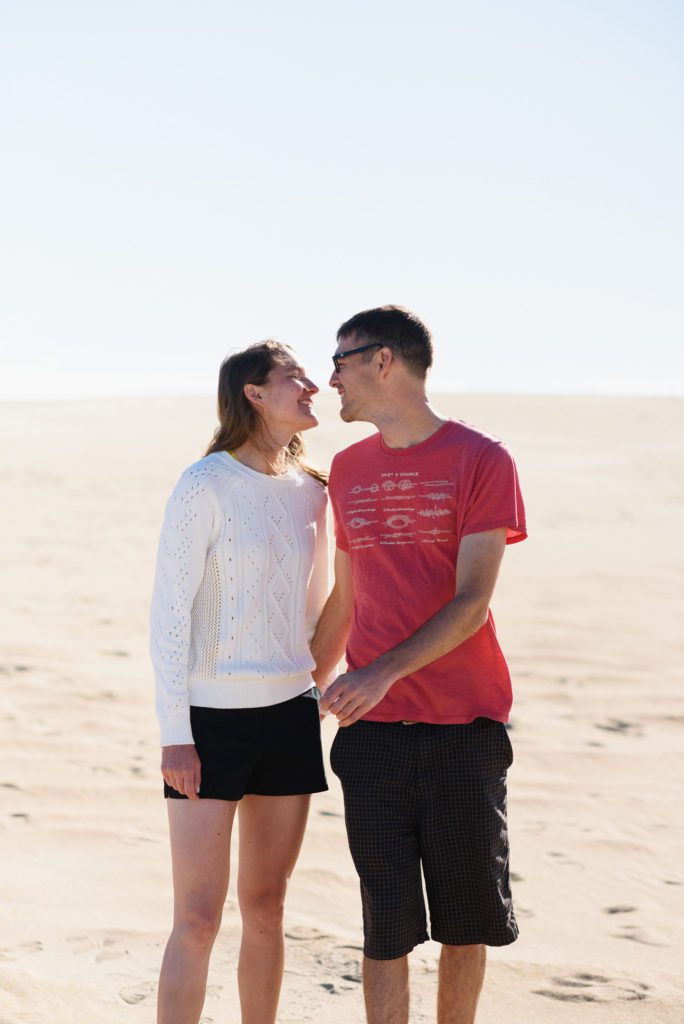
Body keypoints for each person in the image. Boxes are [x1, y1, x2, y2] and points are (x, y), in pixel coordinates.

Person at [312, 306, 527, 1024]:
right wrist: (306, 690)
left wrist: (379, 672)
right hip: (371, 737)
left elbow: (472, 600)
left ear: (384, 361)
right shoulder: (346, 468)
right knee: (386, 926)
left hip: (462, 728)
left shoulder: (481, 459)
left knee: (467, 922)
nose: (330, 376)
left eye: (341, 360)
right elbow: (345, 596)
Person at [150, 341, 329, 1024]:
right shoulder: (205, 483)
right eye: (293, 377)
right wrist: (175, 736)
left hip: (289, 714)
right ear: (253, 393)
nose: (312, 386)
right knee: (197, 917)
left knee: (267, 906)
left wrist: (315, 688)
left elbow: (315, 606)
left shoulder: (314, 491)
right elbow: (169, 613)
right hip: (209, 721)